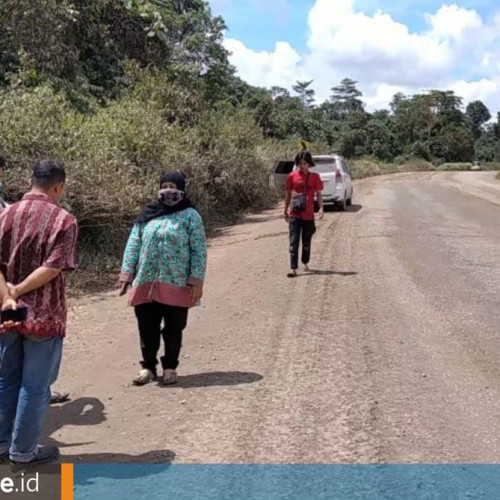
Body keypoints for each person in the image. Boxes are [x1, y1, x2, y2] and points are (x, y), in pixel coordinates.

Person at [0, 160, 78, 465]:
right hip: (44, 315)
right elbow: (54, 266)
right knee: (34, 386)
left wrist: (8, 296)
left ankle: (2, 443)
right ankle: (23, 451)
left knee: (6, 380)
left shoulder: (6, 214)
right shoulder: (64, 220)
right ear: (58, 186)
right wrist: (19, 291)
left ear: (32, 181)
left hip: (7, 311)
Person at [120, 171, 207, 386]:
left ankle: (170, 367)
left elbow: (199, 250)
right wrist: (126, 274)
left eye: (172, 186)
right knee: (146, 327)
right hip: (146, 281)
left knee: (173, 328)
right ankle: (148, 368)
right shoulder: (148, 214)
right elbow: (134, 243)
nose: (168, 190)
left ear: (181, 189)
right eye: (164, 186)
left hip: (177, 283)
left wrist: (196, 280)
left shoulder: (190, 216)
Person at [284, 150, 324, 278]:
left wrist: (321, 208)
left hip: (308, 216)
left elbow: (318, 194)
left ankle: (305, 261)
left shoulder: (315, 177)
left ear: (309, 164)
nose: (302, 166)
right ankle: (293, 268)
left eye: (305, 163)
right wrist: (285, 209)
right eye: (300, 163)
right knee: (293, 241)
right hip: (295, 215)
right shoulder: (292, 176)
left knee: (306, 243)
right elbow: (288, 194)